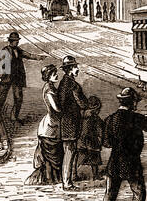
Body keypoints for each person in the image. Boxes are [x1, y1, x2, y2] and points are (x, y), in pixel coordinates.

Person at [0, 31, 42, 124]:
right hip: (6, 78)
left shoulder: (18, 50)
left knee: (18, 98)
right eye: (15, 41)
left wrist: (40, 57)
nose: (17, 42)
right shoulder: (4, 51)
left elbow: (28, 55)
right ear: (10, 41)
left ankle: (14, 116)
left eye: (17, 40)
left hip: (17, 78)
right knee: (0, 98)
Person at [26, 65, 65, 185]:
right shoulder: (49, 89)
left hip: (52, 123)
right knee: (53, 153)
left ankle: (54, 178)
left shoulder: (51, 87)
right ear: (48, 76)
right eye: (53, 74)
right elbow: (57, 108)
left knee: (56, 152)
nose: (56, 75)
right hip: (51, 126)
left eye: (56, 73)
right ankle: (50, 178)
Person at [57, 55, 90, 189]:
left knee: (70, 150)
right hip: (71, 122)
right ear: (70, 69)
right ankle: (67, 182)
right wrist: (89, 105)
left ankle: (72, 176)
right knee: (70, 152)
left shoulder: (63, 83)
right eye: (76, 67)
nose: (78, 69)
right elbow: (82, 103)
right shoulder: (73, 85)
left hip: (66, 121)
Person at [72, 96, 106, 180]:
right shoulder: (96, 119)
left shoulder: (81, 116)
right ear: (96, 108)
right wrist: (100, 140)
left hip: (81, 142)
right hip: (92, 143)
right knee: (94, 160)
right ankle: (95, 175)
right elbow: (100, 130)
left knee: (78, 159)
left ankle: (74, 175)